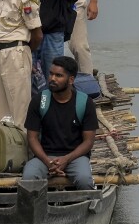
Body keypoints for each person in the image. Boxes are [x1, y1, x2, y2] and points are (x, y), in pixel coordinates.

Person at [22, 56, 96, 190]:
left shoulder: (85, 103)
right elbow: (32, 138)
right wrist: (48, 162)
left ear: (71, 80)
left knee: (84, 180)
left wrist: (66, 159)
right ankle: (33, 209)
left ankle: (87, 207)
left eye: (59, 75)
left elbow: (88, 142)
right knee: (28, 177)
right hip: (45, 157)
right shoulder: (39, 101)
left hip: (75, 157)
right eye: (51, 74)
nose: (52, 79)